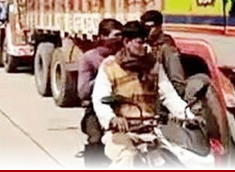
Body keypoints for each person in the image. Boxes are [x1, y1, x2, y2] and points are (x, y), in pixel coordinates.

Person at [92, 21, 194, 167]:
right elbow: (99, 98)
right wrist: (112, 118)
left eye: (146, 42)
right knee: (128, 157)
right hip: (121, 133)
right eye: (140, 42)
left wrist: (189, 116)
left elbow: (169, 96)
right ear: (127, 42)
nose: (145, 46)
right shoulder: (109, 66)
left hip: (150, 131)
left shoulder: (154, 66)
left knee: (176, 161)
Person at [78, 19, 123, 166]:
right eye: (115, 35)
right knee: (96, 140)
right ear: (103, 37)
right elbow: (83, 91)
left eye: (121, 36)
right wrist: (104, 77)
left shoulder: (124, 57)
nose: (119, 39)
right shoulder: (90, 58)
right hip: (95, 108)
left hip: (122, 106)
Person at [140, 10, 185, 97]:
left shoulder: (167, 47)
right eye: (145, 27)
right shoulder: (141, 43)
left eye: (151, 27)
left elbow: (177, 79)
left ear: (159, 27)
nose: (147, 30)